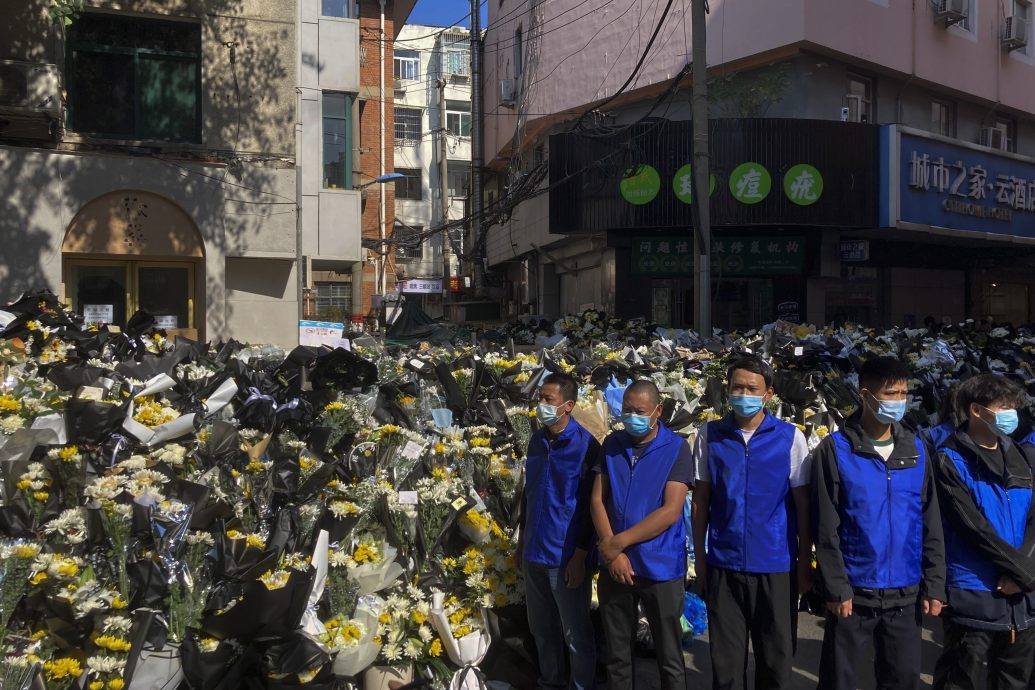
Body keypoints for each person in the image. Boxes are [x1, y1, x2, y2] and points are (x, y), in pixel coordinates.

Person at [811, 356, 946, 690]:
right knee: (841, 681)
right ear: (865, 395)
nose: (897, 402)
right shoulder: (837, 450)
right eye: (889, 394)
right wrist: (836, 586)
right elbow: (826, 527)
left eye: (902, 394)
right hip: (854, 595)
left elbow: (930, 520)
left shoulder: (915, 449)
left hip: (905, 594)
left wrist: (935, 582)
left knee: (902, 680)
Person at [691, 356, 812, 690]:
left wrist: (804, 562)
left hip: (775, 565)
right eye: (736, 387)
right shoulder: (710, 435)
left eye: (751, 388)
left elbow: (802, 504)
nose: (742, 393)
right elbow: (701, 499)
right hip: (724, 565)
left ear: (768, 393)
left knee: (775, 662)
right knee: (726, 667)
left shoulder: (790, 438)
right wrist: (700, 559)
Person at [932, 374, 1035, 690]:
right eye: (1003, 407)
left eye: (1014, 408)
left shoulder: (1022, 456)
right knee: (963, 678)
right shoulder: (950, 459)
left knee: (1013, 678)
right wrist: (1023, 574)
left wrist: (1025, 572)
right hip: (975, 590)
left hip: (1021, 598)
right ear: (976, 410)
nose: (1011, 415)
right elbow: (973, 527)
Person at [591, 379, 691, 690]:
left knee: (669, 655)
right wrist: (614, 554)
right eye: (626, 410)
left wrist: (617, 543)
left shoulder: (676, 448)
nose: (632, 416)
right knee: (618, 653)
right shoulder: (613, 444)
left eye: (640, 411)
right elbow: (597, 499)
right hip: (615, 564)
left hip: (659, 565)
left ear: (658, 411)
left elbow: (670, 511)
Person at [516, 372, 599, 690]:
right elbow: (529, 494)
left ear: (568, 406)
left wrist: (580, 555)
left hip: (564, 556)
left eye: (548, 400)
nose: (541, 405)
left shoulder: (587, 447)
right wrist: (521, 543)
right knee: (542, 629)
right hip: (534, 552)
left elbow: (591, 508)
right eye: (540, 399)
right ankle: (549, 681)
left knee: (575, 633)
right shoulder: (537, 441)